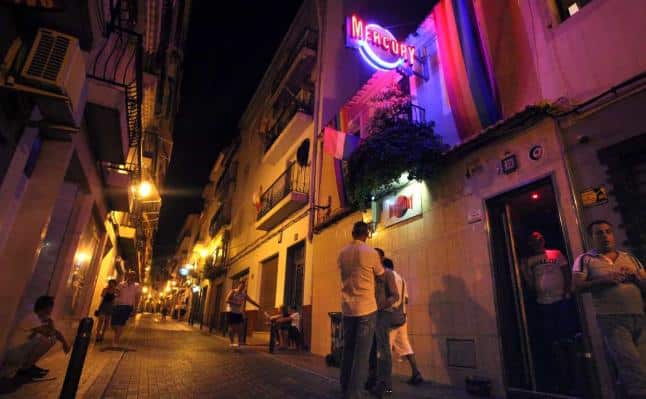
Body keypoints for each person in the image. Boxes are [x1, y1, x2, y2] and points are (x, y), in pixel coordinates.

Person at [573, 220, 646, 398]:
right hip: (612, 320)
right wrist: (605, 280)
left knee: (637, 368)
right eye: (599, 233)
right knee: (634, 371)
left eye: (608, 231)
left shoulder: (629, 258)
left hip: (639, 318)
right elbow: (576, 287)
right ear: (591, 238)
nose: (605, 236)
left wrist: (637, 278)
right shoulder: (585, 259)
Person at [521, 232, 578, 391]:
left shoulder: (556, 253)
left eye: (539, 238)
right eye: (533, 239)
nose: (537, 241)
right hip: (544, 302)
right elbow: (531, 284)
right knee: (552, 338)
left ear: (543, 240)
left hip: (561, 299)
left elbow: (567, 272)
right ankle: (560, 375)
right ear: (530, 243)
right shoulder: (530, 261)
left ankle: (575, 372)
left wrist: (567, 292)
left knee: (567, 336)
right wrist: (524, 269)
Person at [338, 221, 385, 399]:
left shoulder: (342, 253)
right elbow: (380, 275)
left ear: (352, 233)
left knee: (348, 349)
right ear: (366, 234)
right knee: (362, 353)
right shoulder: (370, 252)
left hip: (347, 308)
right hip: (366, 308)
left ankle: (345, 386)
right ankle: (355, 393)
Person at [1, 296, 70, 381]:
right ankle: (25, 368)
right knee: (45, 339)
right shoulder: (32, 318)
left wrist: (64, 342)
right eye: (51, 306)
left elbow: (54, 333)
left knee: (49, 339)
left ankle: (28, 366)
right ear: (46, 307)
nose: (51, 309)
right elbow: (50, 333)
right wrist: (51, 322)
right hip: (14, 354)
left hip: (20, 352)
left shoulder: (39, 319)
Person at [382, 257, 424, 385]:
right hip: (402, 318)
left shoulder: (388, 278)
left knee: (384, 349)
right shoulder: (402, 279)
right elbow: (406, 299)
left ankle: (384, 381)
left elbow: (388, 298)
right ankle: (416, 373)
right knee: (405, 346)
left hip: (390, 319)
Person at [366, 257, 399, 398]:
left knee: (383, 350)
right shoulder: (372, 275)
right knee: (373, 349)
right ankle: (374, 380)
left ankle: (384, 385)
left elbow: (395, 296)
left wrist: (382, 305)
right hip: (371, 314)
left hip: (383, 314)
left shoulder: (388, 274)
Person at [225, 279, 261, 348]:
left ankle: (239, 342)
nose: (243, 287)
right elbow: (227, 300)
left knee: (241, 327)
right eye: (242, 285)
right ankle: (232, 342)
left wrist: (258, 305)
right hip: (231, 311)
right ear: (239, 285)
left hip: (238, 312)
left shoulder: (244, 294)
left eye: (244, 286)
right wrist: (236, 303)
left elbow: (251, 301)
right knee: (232, 328)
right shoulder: (233, 291)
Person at [110, 270, 141, 347]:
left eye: (133, 276)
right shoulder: (121, 284)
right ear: (128, 276)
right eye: (130, 275)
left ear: (135, 277)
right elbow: (116, 293)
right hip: (118, 305)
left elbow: (137, 297)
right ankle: (117, 334)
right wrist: (115, 297)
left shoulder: (137, 286)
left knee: (120, 324)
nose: (132, 277)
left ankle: (116, 341)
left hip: (127, 306)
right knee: (113, 324)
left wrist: (135, 308)